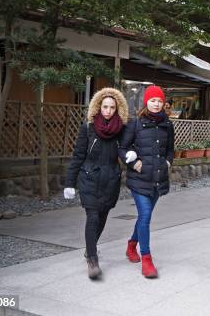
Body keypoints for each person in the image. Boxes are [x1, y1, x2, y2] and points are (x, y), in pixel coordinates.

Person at [63, 87, 129, 280]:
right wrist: (70, 183)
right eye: (105, 106)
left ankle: (89, 249)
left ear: (118, 109)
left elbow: (126, 150)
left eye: (112, 107)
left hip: (110, 179)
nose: (108, 110)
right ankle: (92, 259)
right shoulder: (88, 128)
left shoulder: (122, 129)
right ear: (98, 107)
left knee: (102, 218)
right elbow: (78, 156)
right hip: (89, 177)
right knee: (92, 217)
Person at [119, 85, 174, 278]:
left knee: (144, 216)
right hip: (139, 179)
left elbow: (170, 150)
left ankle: (131, 245)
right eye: (153, 100)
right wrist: (133, 162)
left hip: (158, 179)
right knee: (146, 214)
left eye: (159, 101)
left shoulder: (168, 125)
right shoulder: (135, 124)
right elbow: (122, 148)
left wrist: (167, 162)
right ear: (146, 102)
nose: (156, 104)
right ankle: (147, 259)